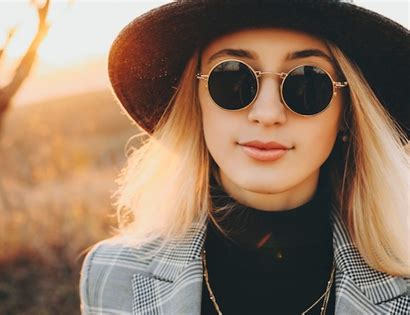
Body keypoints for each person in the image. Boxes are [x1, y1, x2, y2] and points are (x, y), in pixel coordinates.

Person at [80, 1, 409, 314]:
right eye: (232, 77)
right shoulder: (111, 276)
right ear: (195, 103)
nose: (267, 114)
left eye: (307, 82)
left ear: (348, 112)